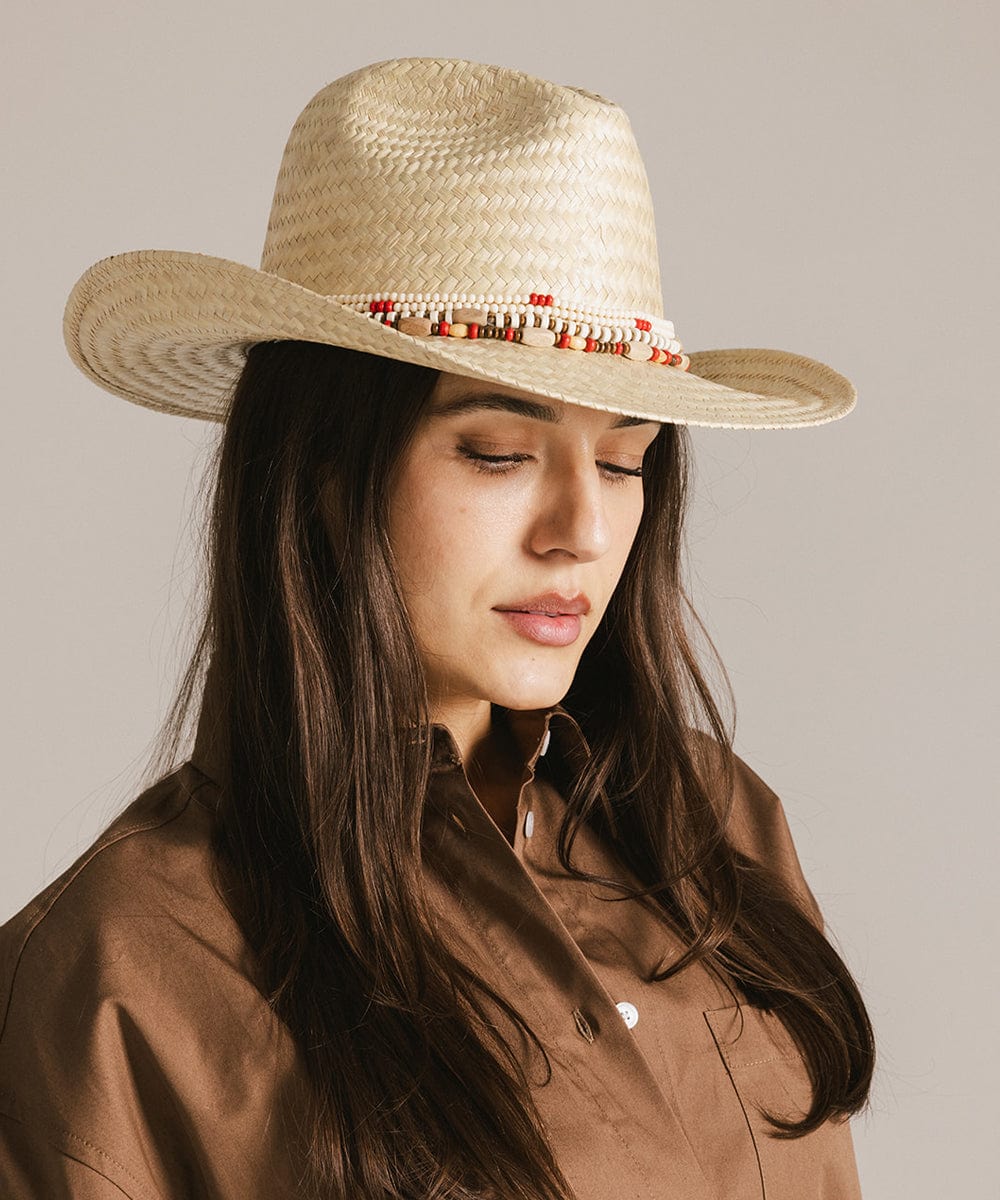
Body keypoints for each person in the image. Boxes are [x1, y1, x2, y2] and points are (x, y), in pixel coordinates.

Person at [0, 57, 874, 1200]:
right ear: (319, 469)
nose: (581, 530)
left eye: (623, 461)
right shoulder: (116, 974)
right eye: (499, 452)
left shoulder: (715, 824)